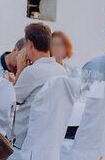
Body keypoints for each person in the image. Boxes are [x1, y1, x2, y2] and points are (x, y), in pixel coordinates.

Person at [11, 20, 67, 148]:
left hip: (24, 140)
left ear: (30, 45)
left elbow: (12, 100)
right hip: (49, 138)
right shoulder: (61, 71)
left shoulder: (31, 72)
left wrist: (20, 69)